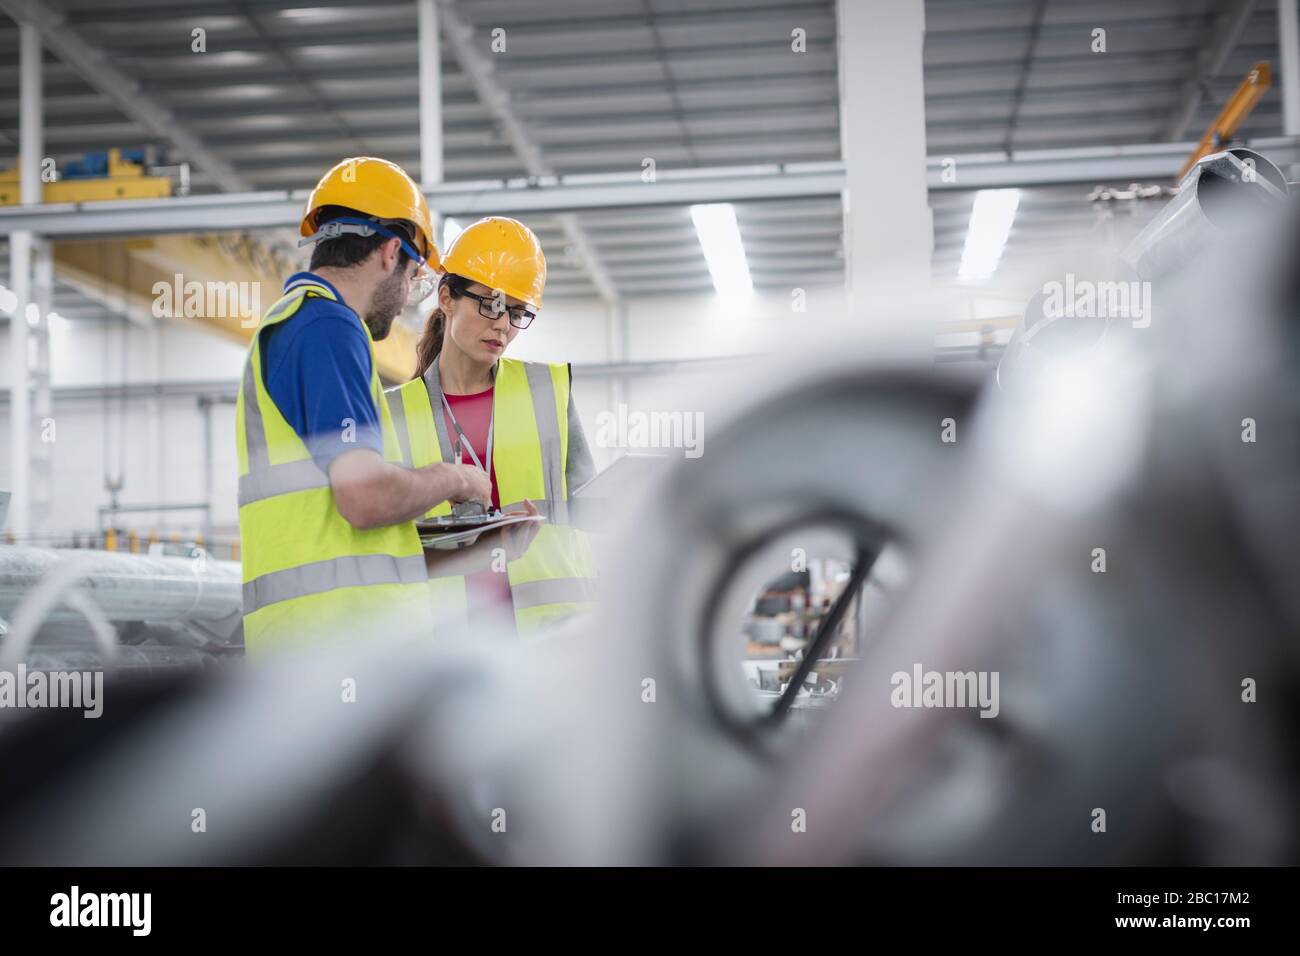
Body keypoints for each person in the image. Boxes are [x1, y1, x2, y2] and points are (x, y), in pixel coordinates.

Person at [236, 157, 491, 653]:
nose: (403, 303)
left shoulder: (301, 325)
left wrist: (482, 548)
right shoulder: (327, 328)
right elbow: (366, 499)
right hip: (334, 654)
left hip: (315, 651)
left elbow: (351, 541)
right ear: (390, 252)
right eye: (414, 278)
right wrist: (456, 478)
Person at [387, 216, 598, 634]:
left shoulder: (547, 392)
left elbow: (592, 511)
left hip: (550, 637)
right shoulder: (392, 414)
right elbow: (386, 538)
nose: (502, 325)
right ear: (446, 297)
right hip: (447, 642)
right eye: (491, 303)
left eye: (517, 312)